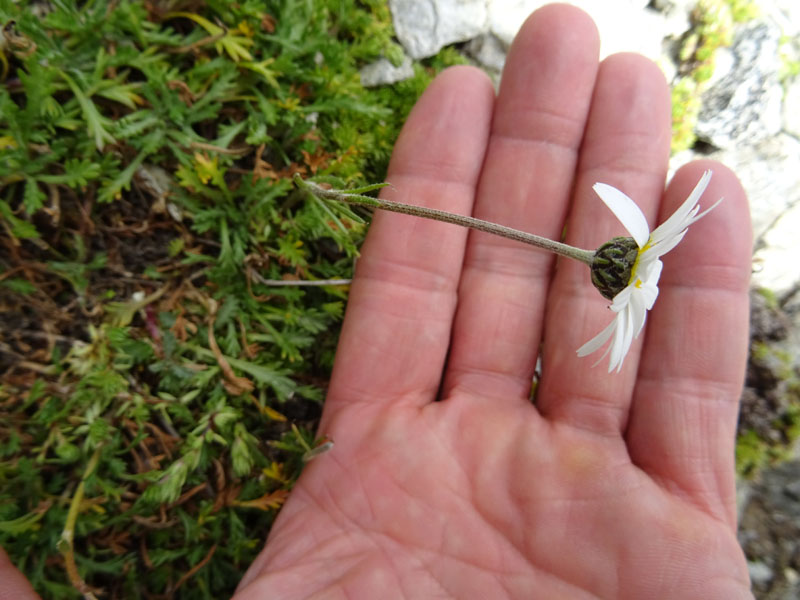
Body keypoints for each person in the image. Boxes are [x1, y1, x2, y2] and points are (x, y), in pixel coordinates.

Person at [0, 4, 754, 599]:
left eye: (632, 274)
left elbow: (636, 288)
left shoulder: (630, 276)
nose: (635, 278)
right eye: (631, 272)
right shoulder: (627, 266)